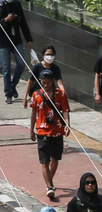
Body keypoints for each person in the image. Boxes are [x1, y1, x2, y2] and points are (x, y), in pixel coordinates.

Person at [29, 68, 70, 200]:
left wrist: (67, 124)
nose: (45, 85)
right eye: (43, 82)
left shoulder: (61, 94)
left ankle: (49, 180)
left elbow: (65, 110)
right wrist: (31, 129)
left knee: (56, 159)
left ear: (53, 81)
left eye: (47, 82)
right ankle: (50, 186)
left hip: (57, 132)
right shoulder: (36, 95)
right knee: (44, 161)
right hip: (42, 132)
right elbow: (33, 113)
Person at [0, 0, 33, 105]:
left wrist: (29, 39)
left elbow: (23, 22)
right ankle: (8, 93)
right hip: (3, 40)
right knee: (6, 68)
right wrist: (5, 20)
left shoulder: (16, 4)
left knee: (21, 63)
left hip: (16, 39)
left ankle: (13, 85)